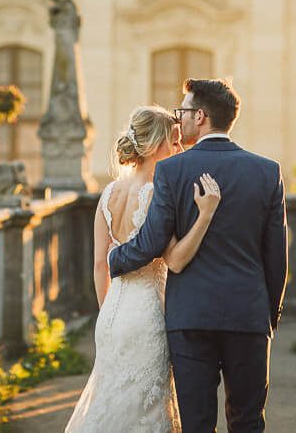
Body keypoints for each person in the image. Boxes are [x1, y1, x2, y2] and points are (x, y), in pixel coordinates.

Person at [108, 79, 288, 433]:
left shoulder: (172, 171)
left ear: (201, 116)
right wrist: (270, 312)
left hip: (189, 317)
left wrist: (115, 259)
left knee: (197, 424)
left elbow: (151, 241)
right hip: (248, 315)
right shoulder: (267, 171)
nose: (180, 120)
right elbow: (276, 253)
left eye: (184, 112)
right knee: (248, 421)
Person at [66, 105, 222, 432]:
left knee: (113, 399)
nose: (181, 149)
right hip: (147, 314)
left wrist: (107, 312)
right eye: (175, 141)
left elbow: (99, 264)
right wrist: (205, 215)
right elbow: (175, 259)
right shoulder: (156, 194)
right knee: (146, 408)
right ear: (154, 146)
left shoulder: (108, 193)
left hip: (111, 314)